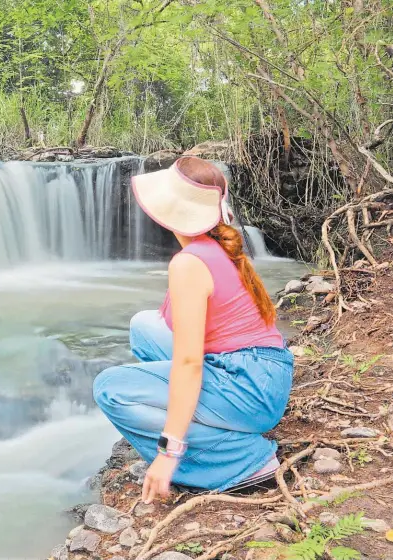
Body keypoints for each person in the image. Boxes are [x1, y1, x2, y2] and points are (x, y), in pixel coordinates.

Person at [93, 156, 293, 504]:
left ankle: (242, 459)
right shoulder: (217, 247)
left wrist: (169, 451)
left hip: (247, 389)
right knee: (143, 326)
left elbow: (189, 364)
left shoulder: (189, 263)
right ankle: (216, 424)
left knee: (110, 388)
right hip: (265, 374)